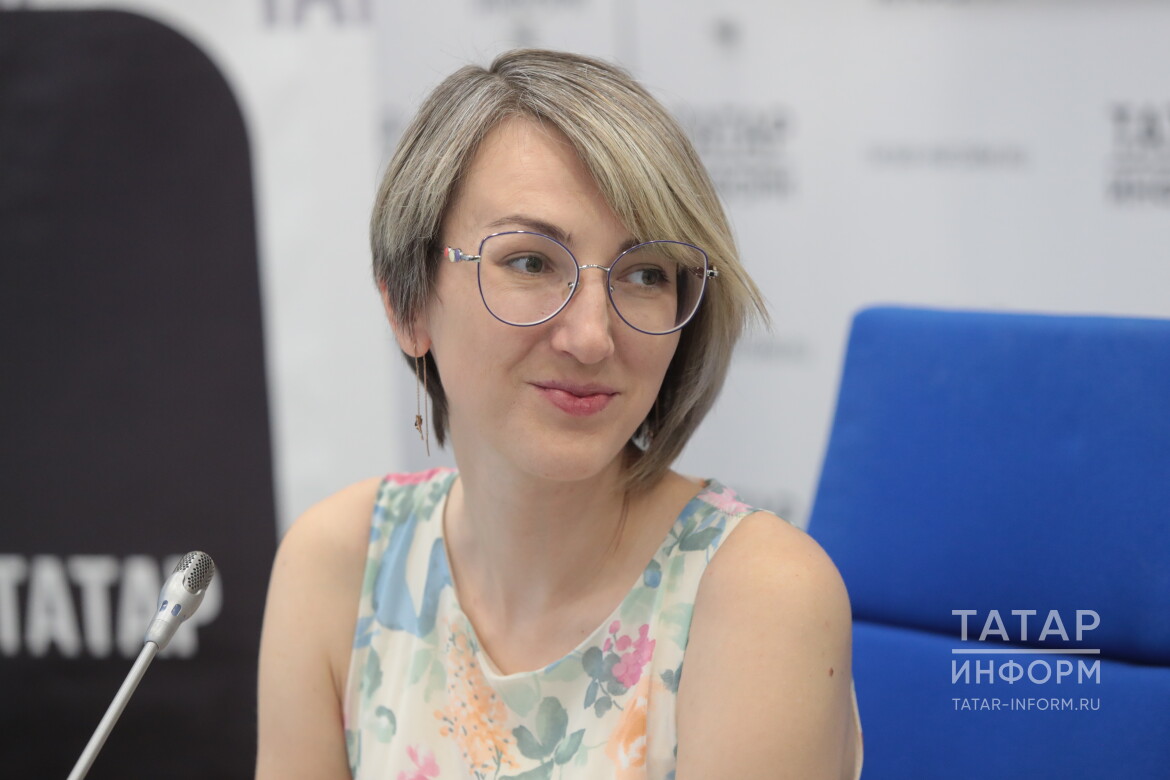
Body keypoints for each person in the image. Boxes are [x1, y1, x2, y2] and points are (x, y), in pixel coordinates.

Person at [256, 49, 862, 780]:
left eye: (644, 274)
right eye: (531, 262)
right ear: (408, 303)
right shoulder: (340, 565)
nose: (591, 336)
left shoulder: (760, 594)